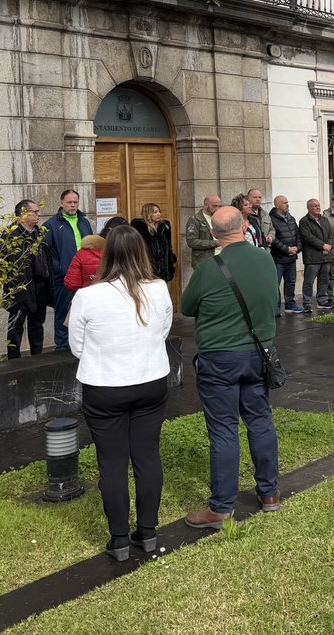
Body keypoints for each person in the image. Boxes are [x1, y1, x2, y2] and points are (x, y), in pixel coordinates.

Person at [68, 226, 173, 560]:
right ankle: (148, 531)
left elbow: (77, 347)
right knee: (147, 456)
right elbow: (162, 331)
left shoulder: (88, 296)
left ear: (106, 254)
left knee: (112, 462)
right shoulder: (159, 289)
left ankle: (120, 539)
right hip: (150, 381)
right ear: (142, 252)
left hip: (105, 386)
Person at [182, 207, 281, 529]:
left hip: (220, 357)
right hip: (259, 353)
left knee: (224, 428)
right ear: (246, 226)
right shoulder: (265, 259)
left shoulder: (208, 268)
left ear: (213, 235)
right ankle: (269, 493)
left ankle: (221, 507)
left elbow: (187, 307)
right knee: (260, 420)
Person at [43, 189, 94, 351]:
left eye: (75, 202)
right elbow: (46, 253)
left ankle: (83, 345)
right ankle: (62, 347)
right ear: (61, 203)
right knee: (63, 313)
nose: (72, 205)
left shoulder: (84, 222)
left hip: (86, 277)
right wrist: (59, 269)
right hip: (64, 278)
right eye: (69, 202)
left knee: (85, 312)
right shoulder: (50, 225)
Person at [5, 199, 51, 359]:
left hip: (39, 286)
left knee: (37, 325)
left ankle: (37, 359)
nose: (39, 214)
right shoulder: (10, 235)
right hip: (20, 287)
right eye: (35, 212)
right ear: (23, 214)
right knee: (16, 326)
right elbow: (0, 262)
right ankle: (13, 362)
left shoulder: (40, 233)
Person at [268, 195, 302, 315]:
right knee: (275, 283)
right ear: (277, 205)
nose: (287, 204)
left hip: (291, 257)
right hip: (278, 258)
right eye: (284, 203)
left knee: (291, 282)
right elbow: (274, 239)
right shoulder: (271, 219)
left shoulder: (291, 218)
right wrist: (286, 249)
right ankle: (276, 308)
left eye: (287, 202)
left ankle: (290, 305)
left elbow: (297, 234)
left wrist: (297, 248)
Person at [299, 198, 333, 312]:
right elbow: (308, 237)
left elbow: (331, 234)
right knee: (309, 282)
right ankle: (307, 303)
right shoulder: (304, 221)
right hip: (312, 257)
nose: (318, 207)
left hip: (326, 256)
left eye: (318, 205)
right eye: (315, 206)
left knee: (324, 281)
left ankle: (322, 301)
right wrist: (323, 246)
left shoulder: (325, 220)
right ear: (308, 208)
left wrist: (329, 246)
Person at [131, 203, 177, 283]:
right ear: (148, 213)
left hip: (163, 271)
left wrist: (170, 263)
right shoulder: (140, 228)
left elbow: (169, 247)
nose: (159, 214)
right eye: (155, 212)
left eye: (159, 212)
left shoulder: (164, 227)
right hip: (147, 269)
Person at [185, 194, 222, 269]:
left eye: (219, 206)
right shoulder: (195, 220)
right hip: (204, 260)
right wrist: (214, 243)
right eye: (214, 206)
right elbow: (191, 242)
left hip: (221, 259)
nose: (218, 209)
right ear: (206, 205)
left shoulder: (219, 218)